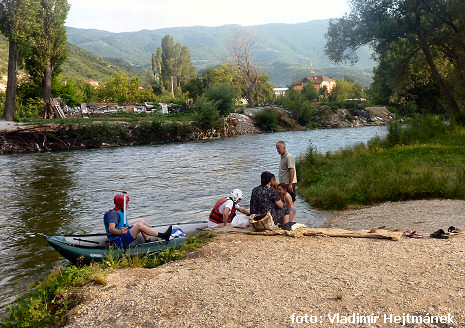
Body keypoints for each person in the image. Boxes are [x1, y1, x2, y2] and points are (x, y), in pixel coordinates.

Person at [104, 193, 172, 247]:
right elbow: (111, 229)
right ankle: (163, 236)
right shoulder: (113, 214)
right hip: (118, 241)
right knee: (139, 226)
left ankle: (148, 241)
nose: (128, 205)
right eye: (127, 203)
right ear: (122, 204)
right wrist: (121, 232)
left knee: (142, 222)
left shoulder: (117, 212)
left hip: (122, 236)